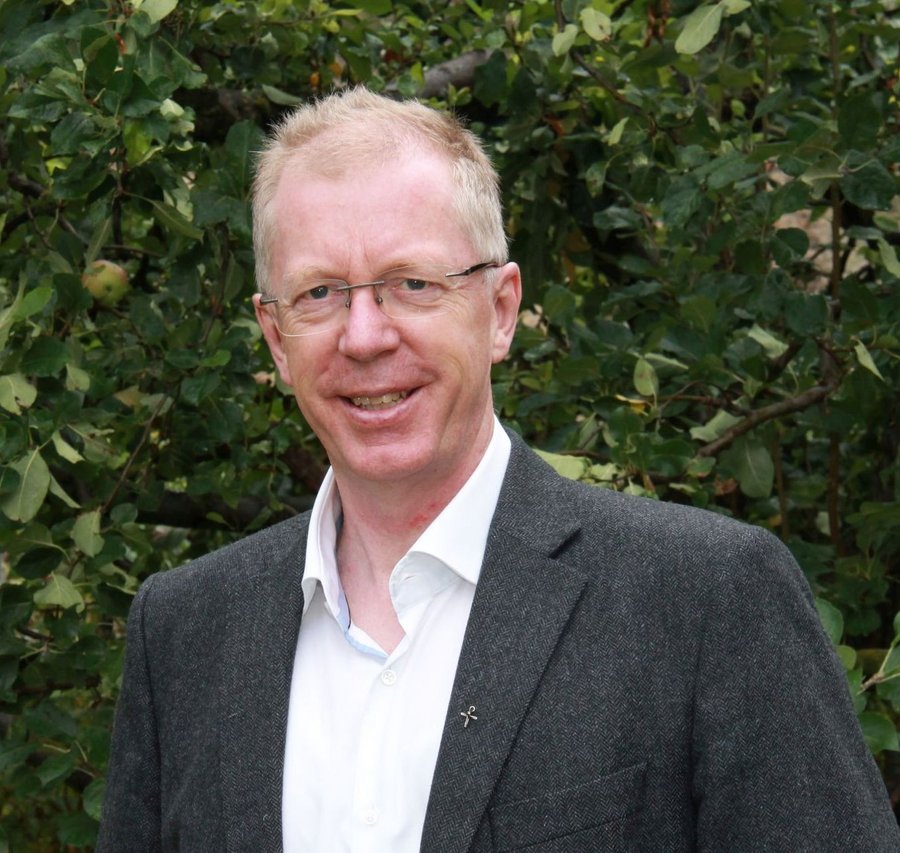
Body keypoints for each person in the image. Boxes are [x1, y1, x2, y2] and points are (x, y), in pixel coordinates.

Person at [98, 88, 898, 852]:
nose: (365, 336)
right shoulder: (184, 633)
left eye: (413, 283)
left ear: (501, 310)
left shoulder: (706, 599)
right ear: (276, 338)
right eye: (320, 293)